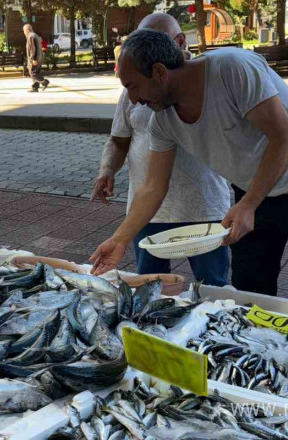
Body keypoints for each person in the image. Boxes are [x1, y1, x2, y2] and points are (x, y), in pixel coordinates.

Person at [90, 30, 288, 353]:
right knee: (250, 293)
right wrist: (120, 239)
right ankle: (264, 357)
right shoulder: (162, 120)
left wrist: (249, 203)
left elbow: (285, 138)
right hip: (255, 195)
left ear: (160, 73)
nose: (133, 100)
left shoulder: (233, 68)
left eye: (133, 87)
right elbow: (153, 187)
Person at [93, 13, 230, 286]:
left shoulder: (209, 81)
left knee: (213, 288)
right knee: (147, 288)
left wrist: (251, 200)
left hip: (203, 208)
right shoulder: (136, 90)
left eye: (156, 42)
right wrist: (107, 169)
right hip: (147, 211)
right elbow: (119, 139)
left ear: (178, 42)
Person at [23, 24, 49, 92]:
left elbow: (33, 49)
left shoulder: (31, 36)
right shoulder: (35, 35)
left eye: (24, 31)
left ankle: (44, 82)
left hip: (35, 59)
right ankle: (35, 87)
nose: (24, 33)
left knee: (32, 73)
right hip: (39, 58)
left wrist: (34, 59)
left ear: (28, 30)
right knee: (36, 72)